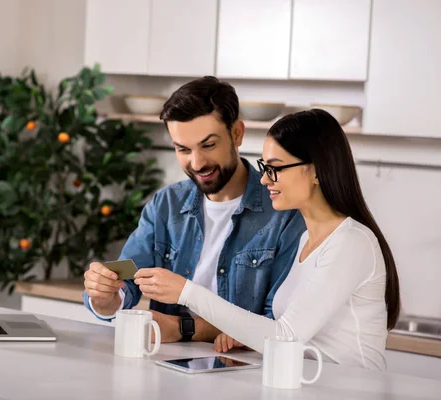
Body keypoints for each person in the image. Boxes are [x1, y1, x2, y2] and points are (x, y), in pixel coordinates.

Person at [133, 109, 401, 370]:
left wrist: (186, 292)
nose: (264, 179)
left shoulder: (351, 242)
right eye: (264, 167)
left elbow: (285, 336)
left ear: (317, 171)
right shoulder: (305, 240)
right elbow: (283, 330)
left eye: (275, 168)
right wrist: (249, 337)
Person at [83, 76, 306, 343]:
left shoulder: (283, 211)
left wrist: (183, 328)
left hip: (241, 373)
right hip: (164, 365)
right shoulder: (165, 205)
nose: (197, 162)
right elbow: (125, 279)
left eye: (208, 145)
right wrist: (104, 295)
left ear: (237, 134)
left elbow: (276, 324)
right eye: (183, 149)